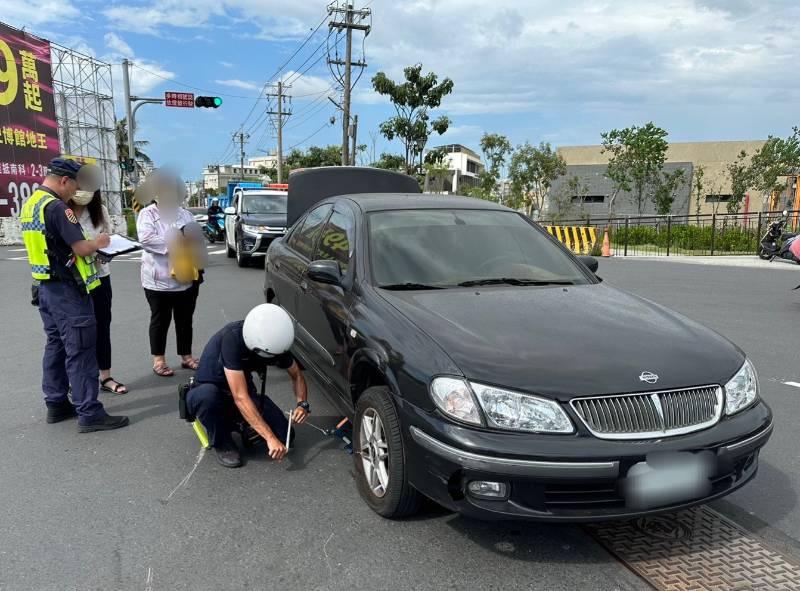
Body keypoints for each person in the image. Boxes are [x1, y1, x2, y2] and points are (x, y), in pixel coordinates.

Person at [20, 158, 129, 432]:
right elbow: (81, 248)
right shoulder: (57, 207)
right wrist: (100, 243)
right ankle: (89, 412)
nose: (74, 194)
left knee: (55, 345)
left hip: (44, 286)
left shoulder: (32, 203)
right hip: (68, 290)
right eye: (74, 187)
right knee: (80, 350)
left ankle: (56, 403)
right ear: (65, 180)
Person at [187, 304, 309, 468]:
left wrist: (302, 404)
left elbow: (297, 375)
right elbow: (240, 397)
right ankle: (223, 443)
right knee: (207, 397)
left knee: (285, 435)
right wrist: (269, 437)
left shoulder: (276, 341)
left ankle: (244, 424)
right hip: (212, 391)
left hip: (241, 392)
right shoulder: (233, 339)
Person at [137, 171, 203, 377]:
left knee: (185, 320)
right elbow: (147, 239)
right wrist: (177, 240)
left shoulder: (185, 214)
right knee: (160, 320)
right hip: (158, 280)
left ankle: (186, 356)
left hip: (186, 277)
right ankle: (159, 360)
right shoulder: (147, 214)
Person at [72, 188, 127, 394]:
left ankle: (105, 376)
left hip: (100, 276)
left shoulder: (100, 210)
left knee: (102, 327)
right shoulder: (62, 211)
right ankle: (76, 381)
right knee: (77, 333)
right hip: (74, 281)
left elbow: (108, 241)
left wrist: (106, 254)